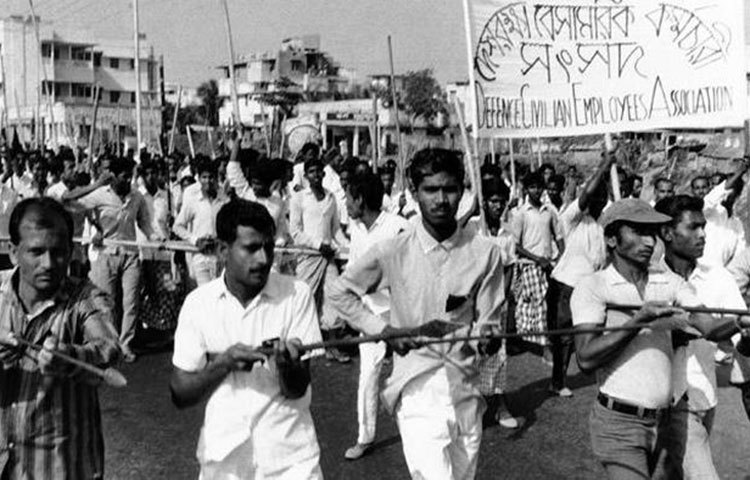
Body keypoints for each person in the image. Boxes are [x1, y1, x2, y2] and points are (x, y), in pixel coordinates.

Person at [329, 148, 505, 479]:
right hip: (417, 390)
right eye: (431, 190)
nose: (441, 199)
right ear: (414, 192)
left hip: (467, 391)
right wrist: (383, 330)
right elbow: (340, 292)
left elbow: (489, 322)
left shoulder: (486, 253)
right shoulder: (394, 250)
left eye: (450, 189)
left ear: (463, 191)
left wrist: (488, 337)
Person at [571, 198, 742, 480]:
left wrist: (739, 321)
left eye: (651, 233)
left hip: (666, 420)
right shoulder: (593, 286)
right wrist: (638, 321)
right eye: (638, 232)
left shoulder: (669, 282)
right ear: (612, 239)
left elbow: (707, 326)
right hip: (619, 425)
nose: (649, 241)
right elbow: (586, 358)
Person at [170, 199, 323, 479]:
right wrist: (223, 364)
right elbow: (180, 393)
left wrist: (287, 366)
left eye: (269, 248)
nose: (263, 259)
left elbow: (298, 389)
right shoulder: (198, 303)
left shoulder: (296, 294)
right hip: (224, 462)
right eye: (251, 248)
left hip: (290, 461)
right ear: (222, 250)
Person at [0, 197, 121, 478]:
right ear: (13, 252)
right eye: (36, 252)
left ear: (71, 252)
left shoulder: (85, 297)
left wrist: (70, 357)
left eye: (57, 252)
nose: (48, 264)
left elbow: (108, 348)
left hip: (60, 468)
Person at [653, 195, 749, 479]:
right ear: (667, 233)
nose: (703, 234)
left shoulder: (718, 277)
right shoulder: (650, 279)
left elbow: (741, 342)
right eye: (693, 227)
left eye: (703, 226)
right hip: (666, 402)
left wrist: (745, 332)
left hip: (705, 396)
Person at [67, 156, 162, 362]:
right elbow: (68, 200)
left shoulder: (136, 197)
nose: (127, 180)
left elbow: (144, 224)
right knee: (106, 302)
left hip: (130, 254)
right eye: (123, 176)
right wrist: (96, 186)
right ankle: (110, 344)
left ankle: (125, 344)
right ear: (114, 176)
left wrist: (156, 238)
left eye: (130, 176)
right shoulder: (100, 194)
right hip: (106, 253)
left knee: (131, 302)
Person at [341, 171, 410, 460]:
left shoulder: (398, 226)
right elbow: (353, 270)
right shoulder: (356, 229)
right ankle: (365, 437)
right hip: (370, 314)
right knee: (368, 375)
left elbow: (414, 269)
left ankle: (417, 431)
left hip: (403, 312)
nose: (345, 203)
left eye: (348, 197)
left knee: (411, 375)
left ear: (360, 199)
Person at [548, 153, 610, 398]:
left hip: (588, 289)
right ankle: (558, 381)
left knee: (586, 334)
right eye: (596, 197)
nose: (599, 201)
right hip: (565, 286)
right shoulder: (572, 219)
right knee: (563, 338)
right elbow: (585, 195)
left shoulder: (603, 226)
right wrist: (604, 166)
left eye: (603, 198)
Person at [467, 175, 520, 428]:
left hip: (496, 304)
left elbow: (509, 267)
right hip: (472, 303)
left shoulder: (507, 234)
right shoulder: (472, 230)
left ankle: (500, 405)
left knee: (498, 353)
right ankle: (471, 405)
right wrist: (470, 211)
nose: (498, 206)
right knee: (472, 352)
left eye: (501, 202)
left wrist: (501, 298)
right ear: (484, 202)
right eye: (493, 201)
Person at [290, 157, 349, 363]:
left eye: (318, 171)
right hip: (308, 257)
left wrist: (347, 247)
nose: (316, 175)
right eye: (311, 172)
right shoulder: (299, 198)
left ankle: (332, 347)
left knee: (333, 297)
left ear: (324, 174)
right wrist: (317, 245)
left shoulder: (331, 197)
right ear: (306, 176)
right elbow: (295, 231)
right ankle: (301, 347)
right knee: (305, 300)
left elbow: (335, 230)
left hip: (328, 257)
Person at [511, 171, 564, 346]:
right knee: (532, 303)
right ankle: (538, 341)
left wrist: (561, 257)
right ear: (526, 189)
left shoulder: (548, 211)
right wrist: (536, 258)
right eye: (532, 187)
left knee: (547, 302)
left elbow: (558, 235)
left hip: (548, 265)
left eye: (539, 187)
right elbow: (516, 245)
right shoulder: (521, 213)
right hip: (529, 265)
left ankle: (543, 339)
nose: (536, 190)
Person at [173, 158, 228, 287]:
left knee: (220, 293)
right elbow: (177, 226)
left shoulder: (224, 201)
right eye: (204, 177)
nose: (208, 181)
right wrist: (196, 240)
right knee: (205, 294)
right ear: (199, 179)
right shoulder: (193, 201)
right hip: (200, 256)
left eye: (211, 177)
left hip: (220, 256)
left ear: (216, 178)